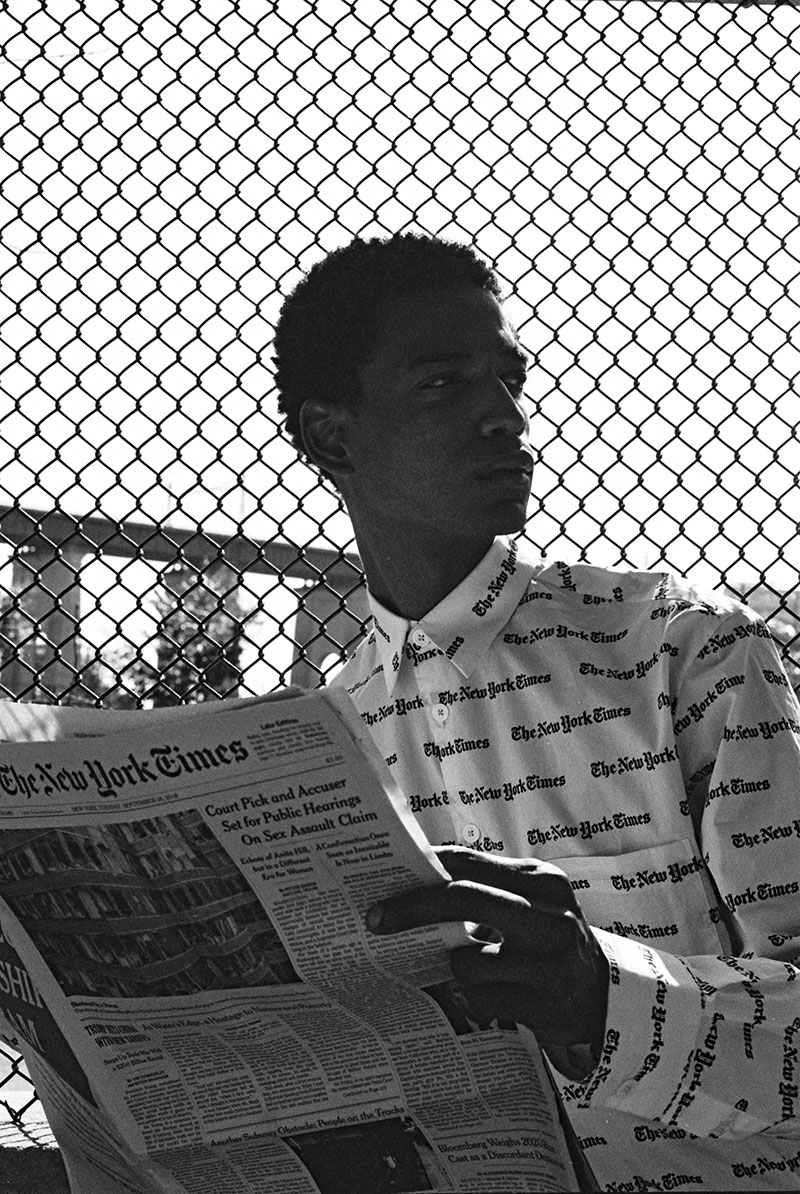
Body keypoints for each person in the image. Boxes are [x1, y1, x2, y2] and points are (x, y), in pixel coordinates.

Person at [273, 232, 800, 1190]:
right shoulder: (324, 742)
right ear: (332, 435)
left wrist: (604, 996)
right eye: (444, 383)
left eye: (509, 378)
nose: (506, 417)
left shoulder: (685, 651)